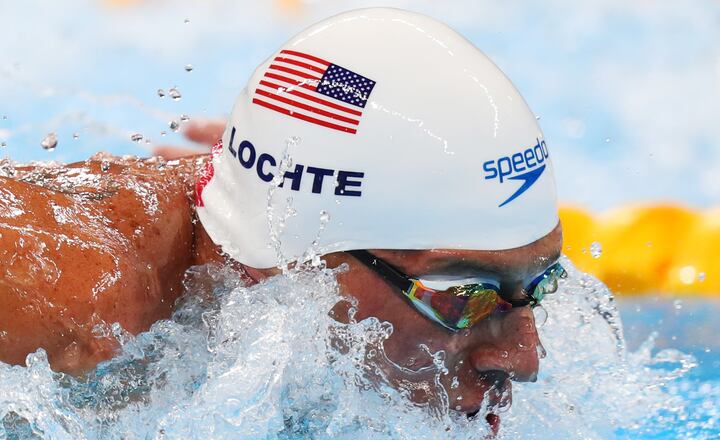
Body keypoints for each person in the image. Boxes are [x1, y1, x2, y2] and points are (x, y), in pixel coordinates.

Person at [0, 8, 563, 432]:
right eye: (463, 295)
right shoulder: (68, 304)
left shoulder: (294, 251)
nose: (525, 357)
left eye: (539, 284)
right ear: (292, 263)